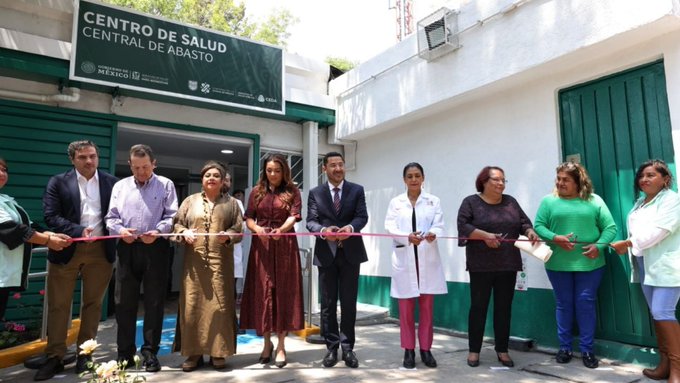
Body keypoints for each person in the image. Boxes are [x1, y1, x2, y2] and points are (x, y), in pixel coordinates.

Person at [35, 141, 118, 381]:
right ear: (72, 159)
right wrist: (78, 230)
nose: (89, 161)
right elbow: (51, 216)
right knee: (59, 305)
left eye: (92, 156)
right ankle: (55, 356)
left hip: (101, 250)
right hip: (67, 247)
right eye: (82, 157)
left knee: (93, 305)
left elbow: (118, 213)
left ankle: (85, 354)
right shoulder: (58, 182)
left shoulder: (112, 183)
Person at [534, 161, 616, 369]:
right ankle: (565, 348)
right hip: (558, 264)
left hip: (590, 263)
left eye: (566, 180)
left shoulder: (594, 200)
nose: (560, 183)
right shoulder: (548, 201)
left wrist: (599, 246)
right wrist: (555, 237)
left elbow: (610, 228)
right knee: (563, 304)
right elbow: (538, 226)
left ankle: (588, 350)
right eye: (558, 179)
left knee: (585, 303)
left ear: (579, 182)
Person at [105, 144, 178, 372]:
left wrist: (157, 231)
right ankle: (125, 354)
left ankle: (149, 352)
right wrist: (120, 231)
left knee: (154, 302)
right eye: (136, 168)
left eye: (145, 167)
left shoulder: (166, 184)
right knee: (123, 302)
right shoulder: (120, 186)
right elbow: (111, 217)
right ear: (130, 165)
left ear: (154, 164)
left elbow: (171, 215)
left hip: (155, 247)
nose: (141, 172)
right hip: (126, 248)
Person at [457, 166, 538, 368]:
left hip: (507, 263)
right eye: (496, 180)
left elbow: (523, 222)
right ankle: (474, 351)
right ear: (484, 181)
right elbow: (463, 226)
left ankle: (502, 350)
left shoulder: (510, 202)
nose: (501, 183)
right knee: (478, 308)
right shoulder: (471, 202)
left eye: (503, 180)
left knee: (504, 308)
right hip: (480, 265)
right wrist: (485, 236)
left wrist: (529, 232)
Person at [610, 159, 680, 382]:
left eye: (651, 175)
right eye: (642, 175)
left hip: (668, 265)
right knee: (657, 315)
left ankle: (677, 369)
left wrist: (628, 243)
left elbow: (659, 232)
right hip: (645, 264)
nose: (644, 179)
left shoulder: (672, 200)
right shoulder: (640, 202)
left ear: (665, 179)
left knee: (662, 312)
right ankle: (665, 364)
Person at [171, 161, 242, 372]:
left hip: (221, 264)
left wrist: (227, 236)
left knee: (219, 308)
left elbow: (238, 229)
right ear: (202, 180)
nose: (211, 178)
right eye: (207, 175)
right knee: (192, 307)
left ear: (222, 181)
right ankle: (193, 353)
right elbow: (177, 224)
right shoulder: (189, 202)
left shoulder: (232, 204)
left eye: (216, 176)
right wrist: (184, 233)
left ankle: (218, 352)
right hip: (193, 266)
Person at [239, 154, 304, 368]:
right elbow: (248, 217)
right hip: (262, 247)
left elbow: (294, 215)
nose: (273, 174)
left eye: (277, 170)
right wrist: (257, 229)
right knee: (263, 294)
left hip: (285, 246)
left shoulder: (292, 191)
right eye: (269, 170)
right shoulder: (256, 192)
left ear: (284, 171)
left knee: (283, 294)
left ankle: (282, 345)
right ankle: (266, 343)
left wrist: (282, 230)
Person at [306, 151, 368, 369]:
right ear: (325, 169)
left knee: (349, 304)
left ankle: (348, 348)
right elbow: (311, 222)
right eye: (333, 165)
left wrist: (350, 229)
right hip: (327, 255)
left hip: (351, 254)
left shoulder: (357, 190)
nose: (338, 169)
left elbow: (362, 216)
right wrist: (325, 231)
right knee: (328, 304)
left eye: (341, 164)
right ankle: (331, 348)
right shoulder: (316, 193)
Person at [384, 162, 447, 369]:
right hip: (405, 258)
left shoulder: (433, 201)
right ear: (404, 180)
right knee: (406, 309)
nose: (413, 179)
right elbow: (389, 226)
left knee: (427, 309)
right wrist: (406, 237)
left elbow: (439, 224)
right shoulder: (396, 202)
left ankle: (426, 349)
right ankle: (408, 351)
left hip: (427, 259)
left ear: (423, 178)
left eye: (417, 175)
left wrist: (432, 234)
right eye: (409, 176)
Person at [0, 157, 71, 338]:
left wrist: (51, 234)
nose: (2, 174)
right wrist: (48, 242)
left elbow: (29, 226)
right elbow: (12, 230)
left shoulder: (5, 200)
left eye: (4, 169)